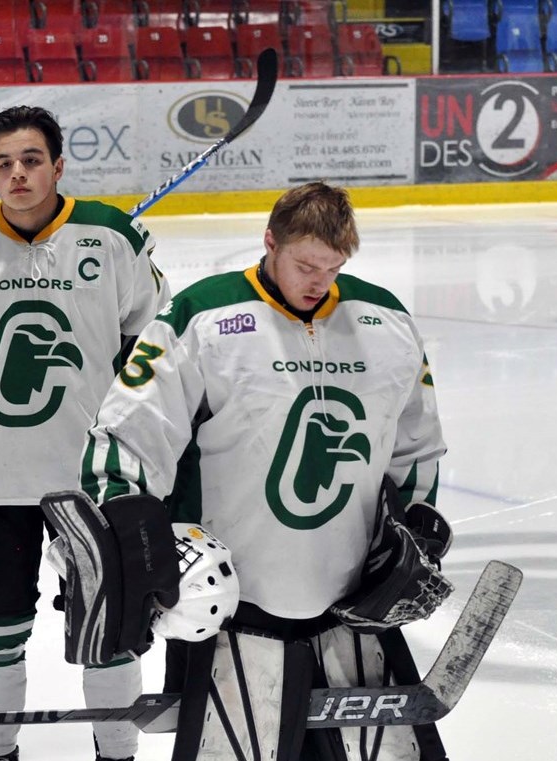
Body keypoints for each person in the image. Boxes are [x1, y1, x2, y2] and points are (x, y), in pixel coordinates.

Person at [77, 182, 452, 761]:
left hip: (352, 611)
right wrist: (130, 532)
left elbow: (416, 445)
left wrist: (415, 527)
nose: (318, 282)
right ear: (270, 241)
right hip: (231, 607)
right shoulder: (204, 315)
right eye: (305, 265)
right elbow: (128, 432)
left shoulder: (385, 320)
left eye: (333, 268)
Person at [0, 105, 169, 761]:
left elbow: (152, 344)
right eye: (2, 163)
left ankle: (117, 752)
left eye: (30, 160)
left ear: (57, 163)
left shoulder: (110, 236)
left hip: (93, 475)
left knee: (111, 624)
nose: (17, 174)